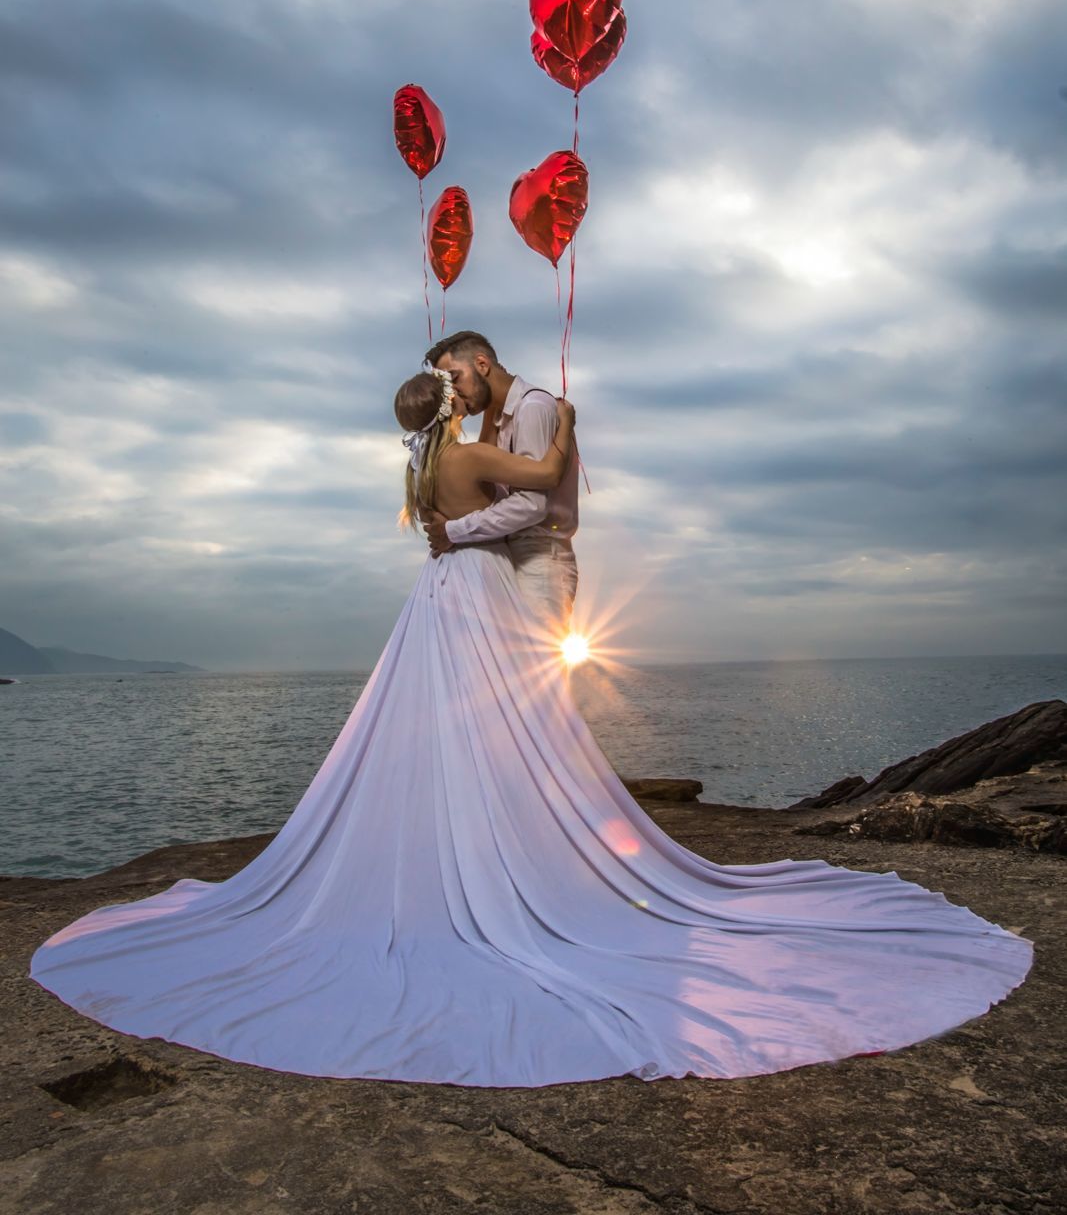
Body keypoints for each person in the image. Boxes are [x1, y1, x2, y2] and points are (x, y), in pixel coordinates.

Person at [27, 366, 1034, 1088]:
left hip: (433, 594)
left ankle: (450, 840)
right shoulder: (469, 458)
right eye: (455, 387)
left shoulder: (420, 471)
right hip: (474, 592)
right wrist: (566, 423)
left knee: (433, 720)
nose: (464, 392)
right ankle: (505, 855)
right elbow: (544, 468)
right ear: (450, 406)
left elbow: (459, 509)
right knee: (492, 715)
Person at [419, 330, 579, 640]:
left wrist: (452, 531)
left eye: (454, 378)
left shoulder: (531, 408)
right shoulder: (499, 418)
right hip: (509, 555)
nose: (451, 392)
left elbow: (532, 505)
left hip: (538, 558)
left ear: (481, 364)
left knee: (535, 676)